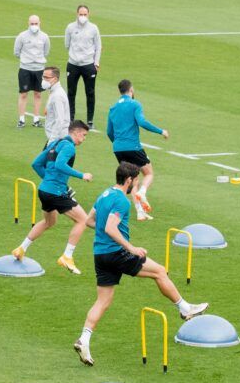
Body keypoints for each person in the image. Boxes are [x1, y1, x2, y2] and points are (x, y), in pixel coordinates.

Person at [74, 162, 208, 366]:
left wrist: (105, 235)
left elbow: (90, 221)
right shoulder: (121, 201)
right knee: (160, 271)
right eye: (135, 181)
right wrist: (132, 248)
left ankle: (84, 339)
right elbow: (110, 228)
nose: (135, 185)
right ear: (129, 180)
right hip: (117, 253)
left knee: (103, 301)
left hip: (100, 255)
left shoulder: (105, 194)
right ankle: (185, 308)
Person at [12, 121, 93, 274]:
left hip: (44, 191)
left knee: (49, 221)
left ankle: (21, 249)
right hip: (55, 192)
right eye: (83, 135)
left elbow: (36, 164)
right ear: (75, 133)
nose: (84, 139)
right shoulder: (69, 147)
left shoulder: (56, 143)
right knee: (82, 220)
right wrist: (82, 175)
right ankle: (67, 256)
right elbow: (60, 165)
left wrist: (48, 180)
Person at [106, 79, 169, 222]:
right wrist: (161, 131)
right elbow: (142, 122)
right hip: (133, 147)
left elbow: (109, 132)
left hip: (118, 149)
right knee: (149, 173)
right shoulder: (135, 104)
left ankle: (140, 213)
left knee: (132, 179)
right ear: (131, 89)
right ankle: (142, 192)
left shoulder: (113, 108)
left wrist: (118, 144)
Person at [64, 5, 102, 128]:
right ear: (77, 14)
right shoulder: (70, 27)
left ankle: (90, 120)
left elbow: (98, 46)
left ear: (89, 14)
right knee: (71, 92)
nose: (83, 17)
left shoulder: (93, 28)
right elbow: (67, 44)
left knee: (90, 92)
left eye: (85, 14)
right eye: (81, 14)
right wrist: (75, 56)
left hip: (88, 65)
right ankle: (70, 119)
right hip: (73, 65)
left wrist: (96, 62)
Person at [14, 15, 50, 128]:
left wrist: (37, 61)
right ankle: (21, 119)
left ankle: (36, 119)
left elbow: (46, 51)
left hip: (39, 69)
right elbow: (16, 51)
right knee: (23, 94)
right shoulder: (22, 36)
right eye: (32, 23)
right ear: (28, 23)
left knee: (38, 94)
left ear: (40, 23)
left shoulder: (44, 37)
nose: (34, 26)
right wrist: (27, 60)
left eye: (36, 23)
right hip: (25, 68)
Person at [42, 66, 69, 145]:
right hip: (55, 139)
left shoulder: (57, 96)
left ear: (55, 79)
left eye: (47, 77)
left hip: (57, 140)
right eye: (43, 77)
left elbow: (60, 120)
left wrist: (51, 142)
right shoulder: (53, 91)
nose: (44, 80)